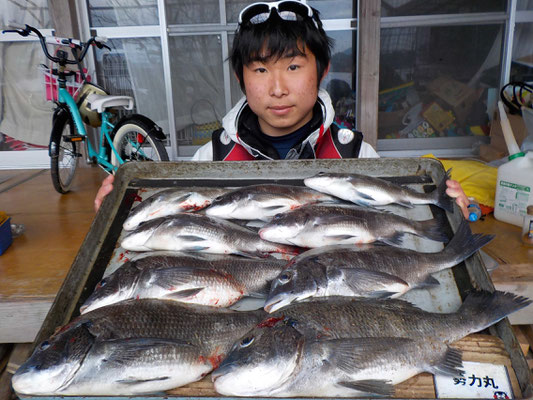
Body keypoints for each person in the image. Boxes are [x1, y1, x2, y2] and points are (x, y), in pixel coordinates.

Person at [94, 0, 470, 217]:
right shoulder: (212, 158)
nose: (277, 88)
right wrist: (123, 209)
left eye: (293, 67)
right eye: (260, 69)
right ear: (242, 79)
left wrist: (441, 207)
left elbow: (399, 222)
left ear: (321, 71)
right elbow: (170, 222)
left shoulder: (356, 154)